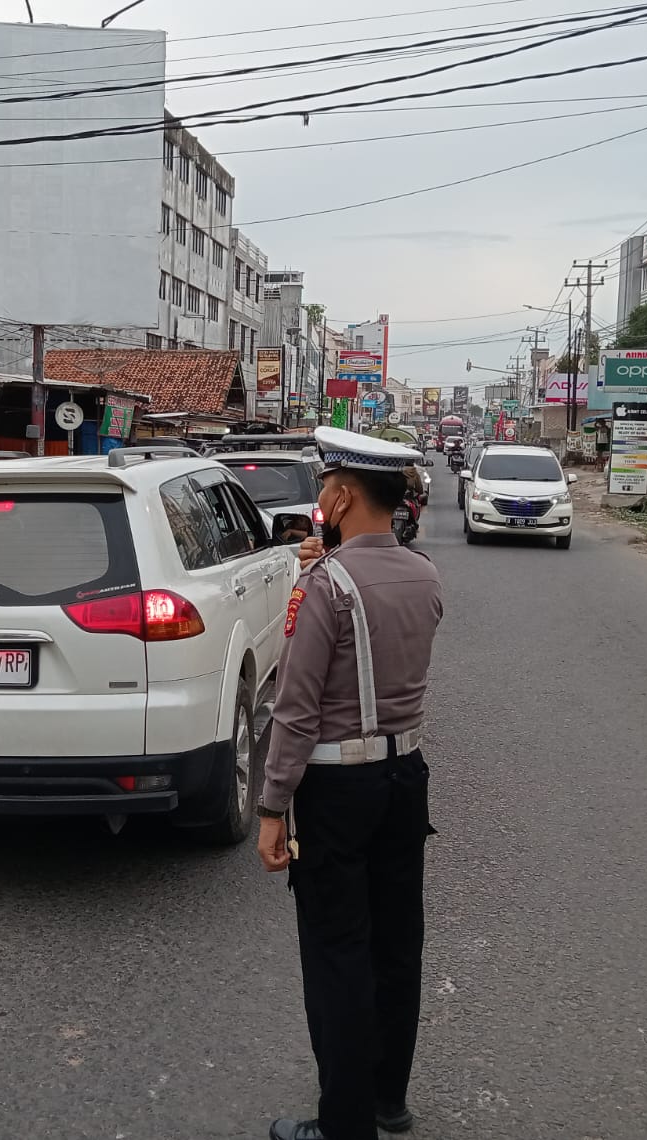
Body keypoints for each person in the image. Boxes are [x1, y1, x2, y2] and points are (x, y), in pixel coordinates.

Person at [257, 427, 445, 1140]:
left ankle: (343, 1125)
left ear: (339, 496)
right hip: (406, 777)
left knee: (338, 952)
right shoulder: (424, 573)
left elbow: (297, 709)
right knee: (398, 944)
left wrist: (274, 807)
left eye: (324, 488)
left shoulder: (323, 585)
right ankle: (388, 1100)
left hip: (337, 791)